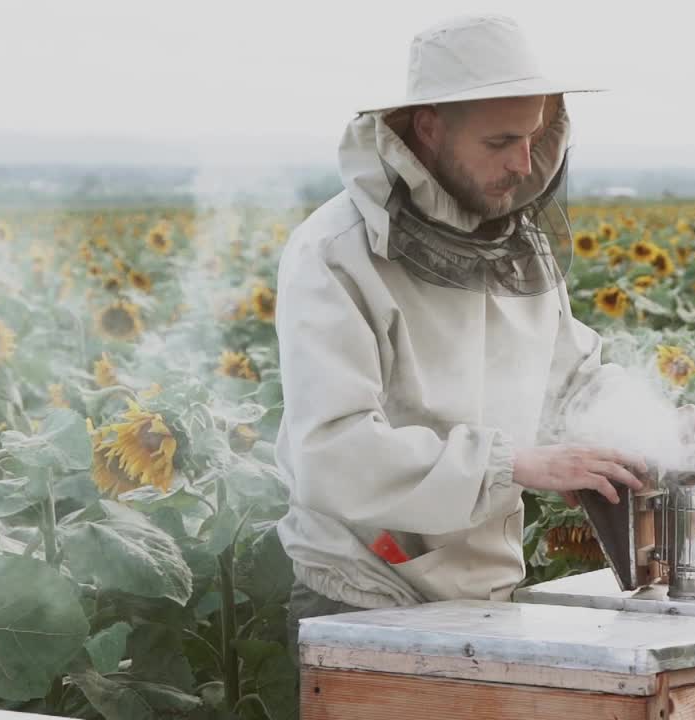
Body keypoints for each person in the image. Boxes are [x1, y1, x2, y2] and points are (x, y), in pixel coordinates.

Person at [273, 14, 649, 660]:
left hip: (488, 594)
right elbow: (332, 452)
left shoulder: (515, 244)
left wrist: (655, 423)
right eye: (500, 141)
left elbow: (570, 379)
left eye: (533, 137)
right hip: (365, 593)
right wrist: (514, 465)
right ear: (428, 127)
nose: (523, 163)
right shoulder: (334, 255)